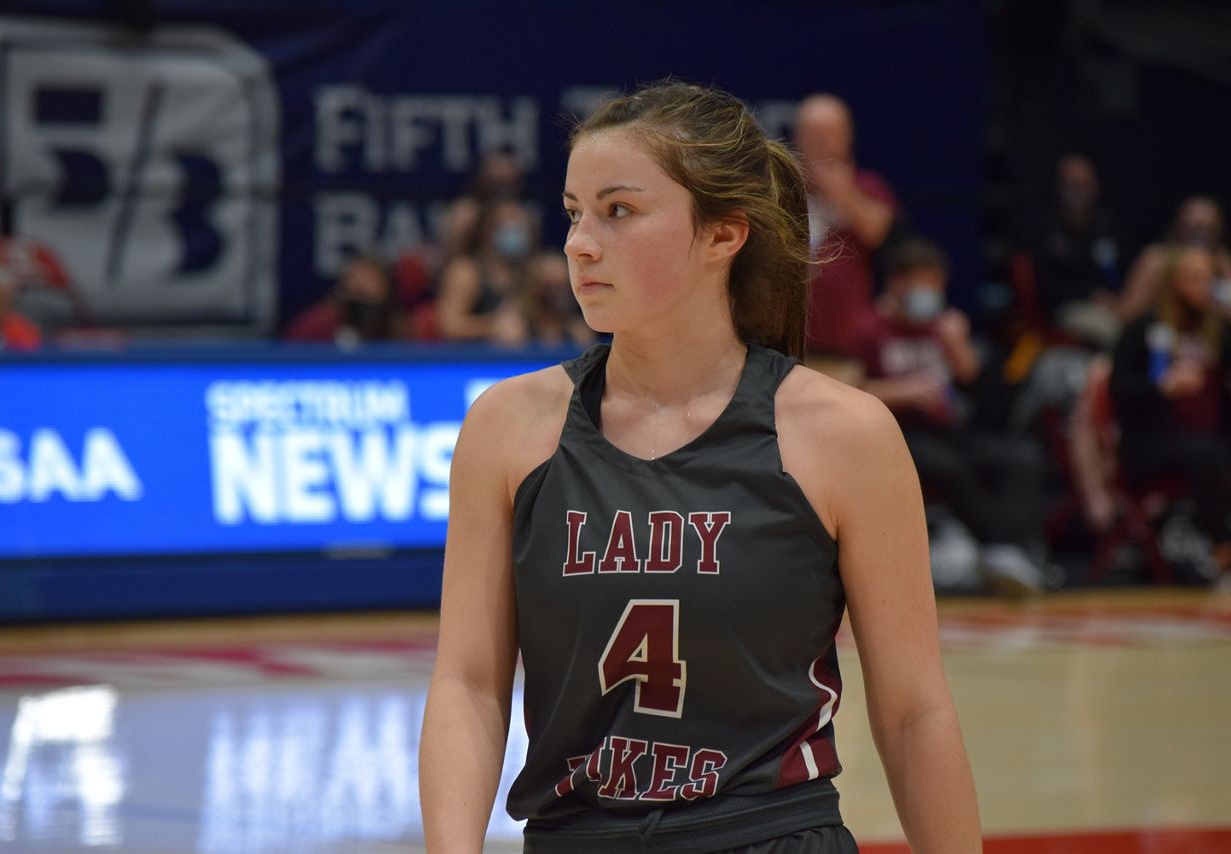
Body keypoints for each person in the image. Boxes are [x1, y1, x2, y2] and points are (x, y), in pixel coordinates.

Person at [420, 81, 981, 853]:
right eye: (575, 211)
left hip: (771, 834)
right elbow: (469, 685)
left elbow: (914, 712)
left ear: (724, 234)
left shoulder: (843, 435)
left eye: (619, 210)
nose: (580, 242)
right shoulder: (507, 427)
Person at [858, 238, 1048, 594]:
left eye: (936, 285)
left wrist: (958, 347)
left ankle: (1021, 554)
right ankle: (998, 550)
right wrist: (905, 390)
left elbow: (978, 388)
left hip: (946, 429)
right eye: (922, 284)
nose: (930, 293)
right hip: (895, 434)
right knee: (948, 466)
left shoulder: (940, 327)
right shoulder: (868, 327)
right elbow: (845, 389)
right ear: (897, 282)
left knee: (1019, 458)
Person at [1109, 244, 1231, 578]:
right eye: (1193, 277)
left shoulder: (1218, 329)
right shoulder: (1146, 328)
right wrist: (1161, 388)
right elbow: (1118, 388)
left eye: (1208, 278)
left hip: (1209, 434)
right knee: (1207, 455)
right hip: (1151, 441)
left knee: (1211, 450)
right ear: (1172, 282)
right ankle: (1223, 545)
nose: (1201, 286)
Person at [792, 93, 898, 381]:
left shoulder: (869, 187)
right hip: (782, 349)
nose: (821, 141)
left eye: (829, 133)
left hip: (843, 353)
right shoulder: (781, 188)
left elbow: (877, 230)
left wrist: (838, 188)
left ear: (847, 136)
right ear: (798, 136)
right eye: (813, 133)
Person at [1029, 154, 1123, 348]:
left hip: (1111, 302)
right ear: (1059, 187)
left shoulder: (1105, 225)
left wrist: (1115, 298)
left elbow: (1115, 270)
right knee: (1112, 330)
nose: (1077, 191)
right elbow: (1046, 286)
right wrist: (1090, 295)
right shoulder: (1044, 228)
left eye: (1083, 184)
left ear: (1094, 187)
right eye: (1070, 184)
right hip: (1065, 307)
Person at [435, 198, 537, 342]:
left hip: (519, 360)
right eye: (509, 223)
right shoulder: (466, 270)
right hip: (472, 359)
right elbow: (449, 325)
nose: (517, 230)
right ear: (487, 229)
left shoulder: (526, 270)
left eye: (520, 224)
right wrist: (493, 326)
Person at [1117, 195, 1231, 324]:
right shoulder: (1157, 259)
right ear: (1180, 225)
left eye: (1208, 229)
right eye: (1195, 228)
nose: (1201, 236)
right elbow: (1129, 312)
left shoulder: (1222, 261)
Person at [283, 255, 408, 346]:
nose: (363, 303)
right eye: (357, 292)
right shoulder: (316, 326)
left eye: (369, 294)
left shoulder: (398, 332)